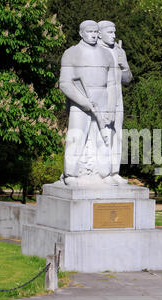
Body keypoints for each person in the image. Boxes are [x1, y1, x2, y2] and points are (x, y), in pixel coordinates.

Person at [58, 20, 117, 186]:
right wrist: (84, 102)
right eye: (89, 31)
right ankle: (70, 174)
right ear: (81, 33)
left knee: (104, 140)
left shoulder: (107, 55)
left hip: (103, 102)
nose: (93, 34)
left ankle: (105, 174)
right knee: (76, 137)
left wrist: (111, 109)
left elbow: (112, 84)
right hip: (81, 101)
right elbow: (65, 83)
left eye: (95, 31)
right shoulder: (71, 53)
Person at [97, 20, 133, 185]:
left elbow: (127, 80)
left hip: (118, 99)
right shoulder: (94, 51)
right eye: (110, 32)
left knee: (117, 135)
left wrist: (124, 66)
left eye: (114, 32)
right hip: (102, 100)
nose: (113, 35)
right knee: (102, 135)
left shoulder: (119, 51)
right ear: (99, 33)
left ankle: (114, 171)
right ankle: (100, 172)